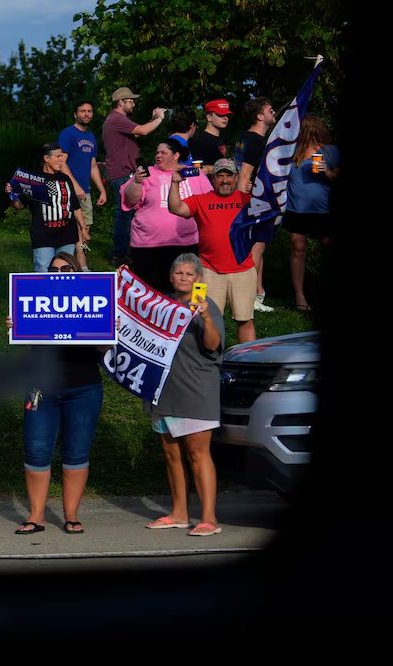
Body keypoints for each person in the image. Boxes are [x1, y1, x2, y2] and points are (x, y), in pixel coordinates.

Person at [5, 253, 105, 535]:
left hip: (83, 388)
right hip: (40, 390)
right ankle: (36, 515)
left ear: (77, 271)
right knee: (36, 450)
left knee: (77, 451)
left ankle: (71, 515)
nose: (59, 272)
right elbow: (24, 346)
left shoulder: (94, 300)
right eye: (53, 269)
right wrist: (16, 330)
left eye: (66, 268)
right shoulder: (33, 298)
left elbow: (102, 351)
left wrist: (109, 334)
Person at [144, 254, 225, 538]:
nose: (183, 277)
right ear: (171, 276)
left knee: (196, 452)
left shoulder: (207, 307)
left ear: (198, 279)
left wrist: (203, 315)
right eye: (178, 272)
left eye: (189, 274)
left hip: (196, 389)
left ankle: (209, 518)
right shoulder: (161, 305)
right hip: (164, 390)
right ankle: (179, 514)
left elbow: (213, 345)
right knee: (171, 453)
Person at [169, 158, 258, 343]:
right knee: (204, 318)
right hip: (208, 271)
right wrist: (175, 183)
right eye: (220, 176)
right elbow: (175, 207)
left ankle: (247, 365)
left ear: (235, 178)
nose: (225, 180)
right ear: (213, 179)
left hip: (243, 269)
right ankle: (208, 363)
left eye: (229, 175)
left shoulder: (247, 200)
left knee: (245, 320)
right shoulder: (201, 199)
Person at [121, 139, 213, 293]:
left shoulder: (193, 173)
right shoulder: (147, 173)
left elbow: (209, 202)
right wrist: (137, 182)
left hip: (186, 243)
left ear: (176, 155)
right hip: (149, 244)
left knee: (186, 289)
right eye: (157, 152)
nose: (158, 155)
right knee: (148, 291)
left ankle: (192, 316)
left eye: (163, 152)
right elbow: (130, 201)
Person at [102, 87, 167, 268]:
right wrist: (160, 118)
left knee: (132, 214)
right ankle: (121, 255)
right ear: (120, 102)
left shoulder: (120, 120)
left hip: (128, 171)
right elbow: (143, 131)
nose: (134, 103)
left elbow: (139, 131)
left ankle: (130, 251)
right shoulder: (116, 119)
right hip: (123, 173)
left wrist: (153, 120)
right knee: (124, 215)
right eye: (130, 100)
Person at [284, 114, 340, 312]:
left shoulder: (329, 151)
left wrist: (327, 171)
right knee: (298, 247)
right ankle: (300, 297)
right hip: (296, 209)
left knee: (328, 246)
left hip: (322, 210)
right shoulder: (292, 151)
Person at [5, 142, 88, 273]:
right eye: (58, 156)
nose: (62, 160)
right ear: (46, 159)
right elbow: (19, 206)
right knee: (43, 271)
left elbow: (75, 206)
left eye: (62, 156)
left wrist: (83, 228)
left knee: (67, 270)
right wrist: (12, 195)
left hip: (67, 234)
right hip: (43, 235)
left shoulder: (65, 179)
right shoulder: (34, 180)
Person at [233, 96, 277, 312]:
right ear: (260, 115)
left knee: (258, 247)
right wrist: (242, 208)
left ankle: (257, 293)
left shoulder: (246, 137)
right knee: (255, 248)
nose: (274, 112)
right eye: (270, 110)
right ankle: (247, 299)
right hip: (250, 203)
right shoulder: (256, 141)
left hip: (252, 200)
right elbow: (244, 176)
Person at [58, 101, 107, 270]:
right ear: (75, 114)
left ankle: (81, 267)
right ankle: (70, 267)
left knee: (85, 231)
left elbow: (93, 166)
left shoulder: (91, 137)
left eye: (89, 111)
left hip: (85, 192)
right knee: (72, 232)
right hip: (68, 191)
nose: (86, 114)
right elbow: (61, 163)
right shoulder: (68, 134)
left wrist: (101, 190)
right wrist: (75, 186)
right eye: (82, 111)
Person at [189, 99, 231, 174]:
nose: (225, 118)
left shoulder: (222, 138)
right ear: (209, 117)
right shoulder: (199, 140)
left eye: (227, 115)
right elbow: (198, 168)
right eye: (220, 114)